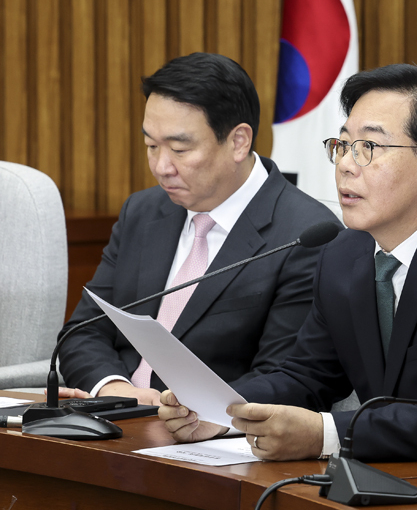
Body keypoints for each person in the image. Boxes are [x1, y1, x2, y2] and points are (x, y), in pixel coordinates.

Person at [159, 64, 417, 468]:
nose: (345, 164)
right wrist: (219, 410)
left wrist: (324, 434)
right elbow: (308, 375)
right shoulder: (344, 254)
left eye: (368, 148)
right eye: (342, 145)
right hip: (400, 473)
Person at [57, 52, 342, 406]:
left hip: (208, 430)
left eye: (179, 149)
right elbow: (82, 332)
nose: (161, 167)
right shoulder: (142, 212)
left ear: (238, 142)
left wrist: (185, 411)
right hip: (114, 415)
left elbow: (284, 378)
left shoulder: (305, 236)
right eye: (151, 146)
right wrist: (116, 391)